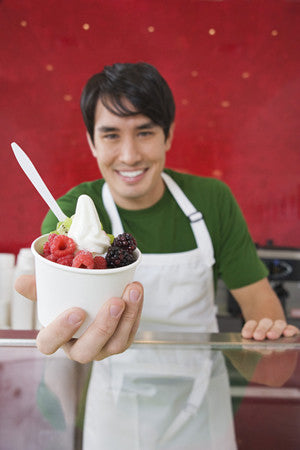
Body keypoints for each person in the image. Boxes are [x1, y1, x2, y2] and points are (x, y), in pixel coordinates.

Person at [16, 62, 299, 449]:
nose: (129, 155)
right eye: (111, 135)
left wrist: (267, 342)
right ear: (91, 141)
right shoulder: (68, 217)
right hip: (114, 416)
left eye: (145, 132)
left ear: (168, 135)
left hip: (204, 412)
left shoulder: (212, 201)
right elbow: (59, 348)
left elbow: (268, 339)